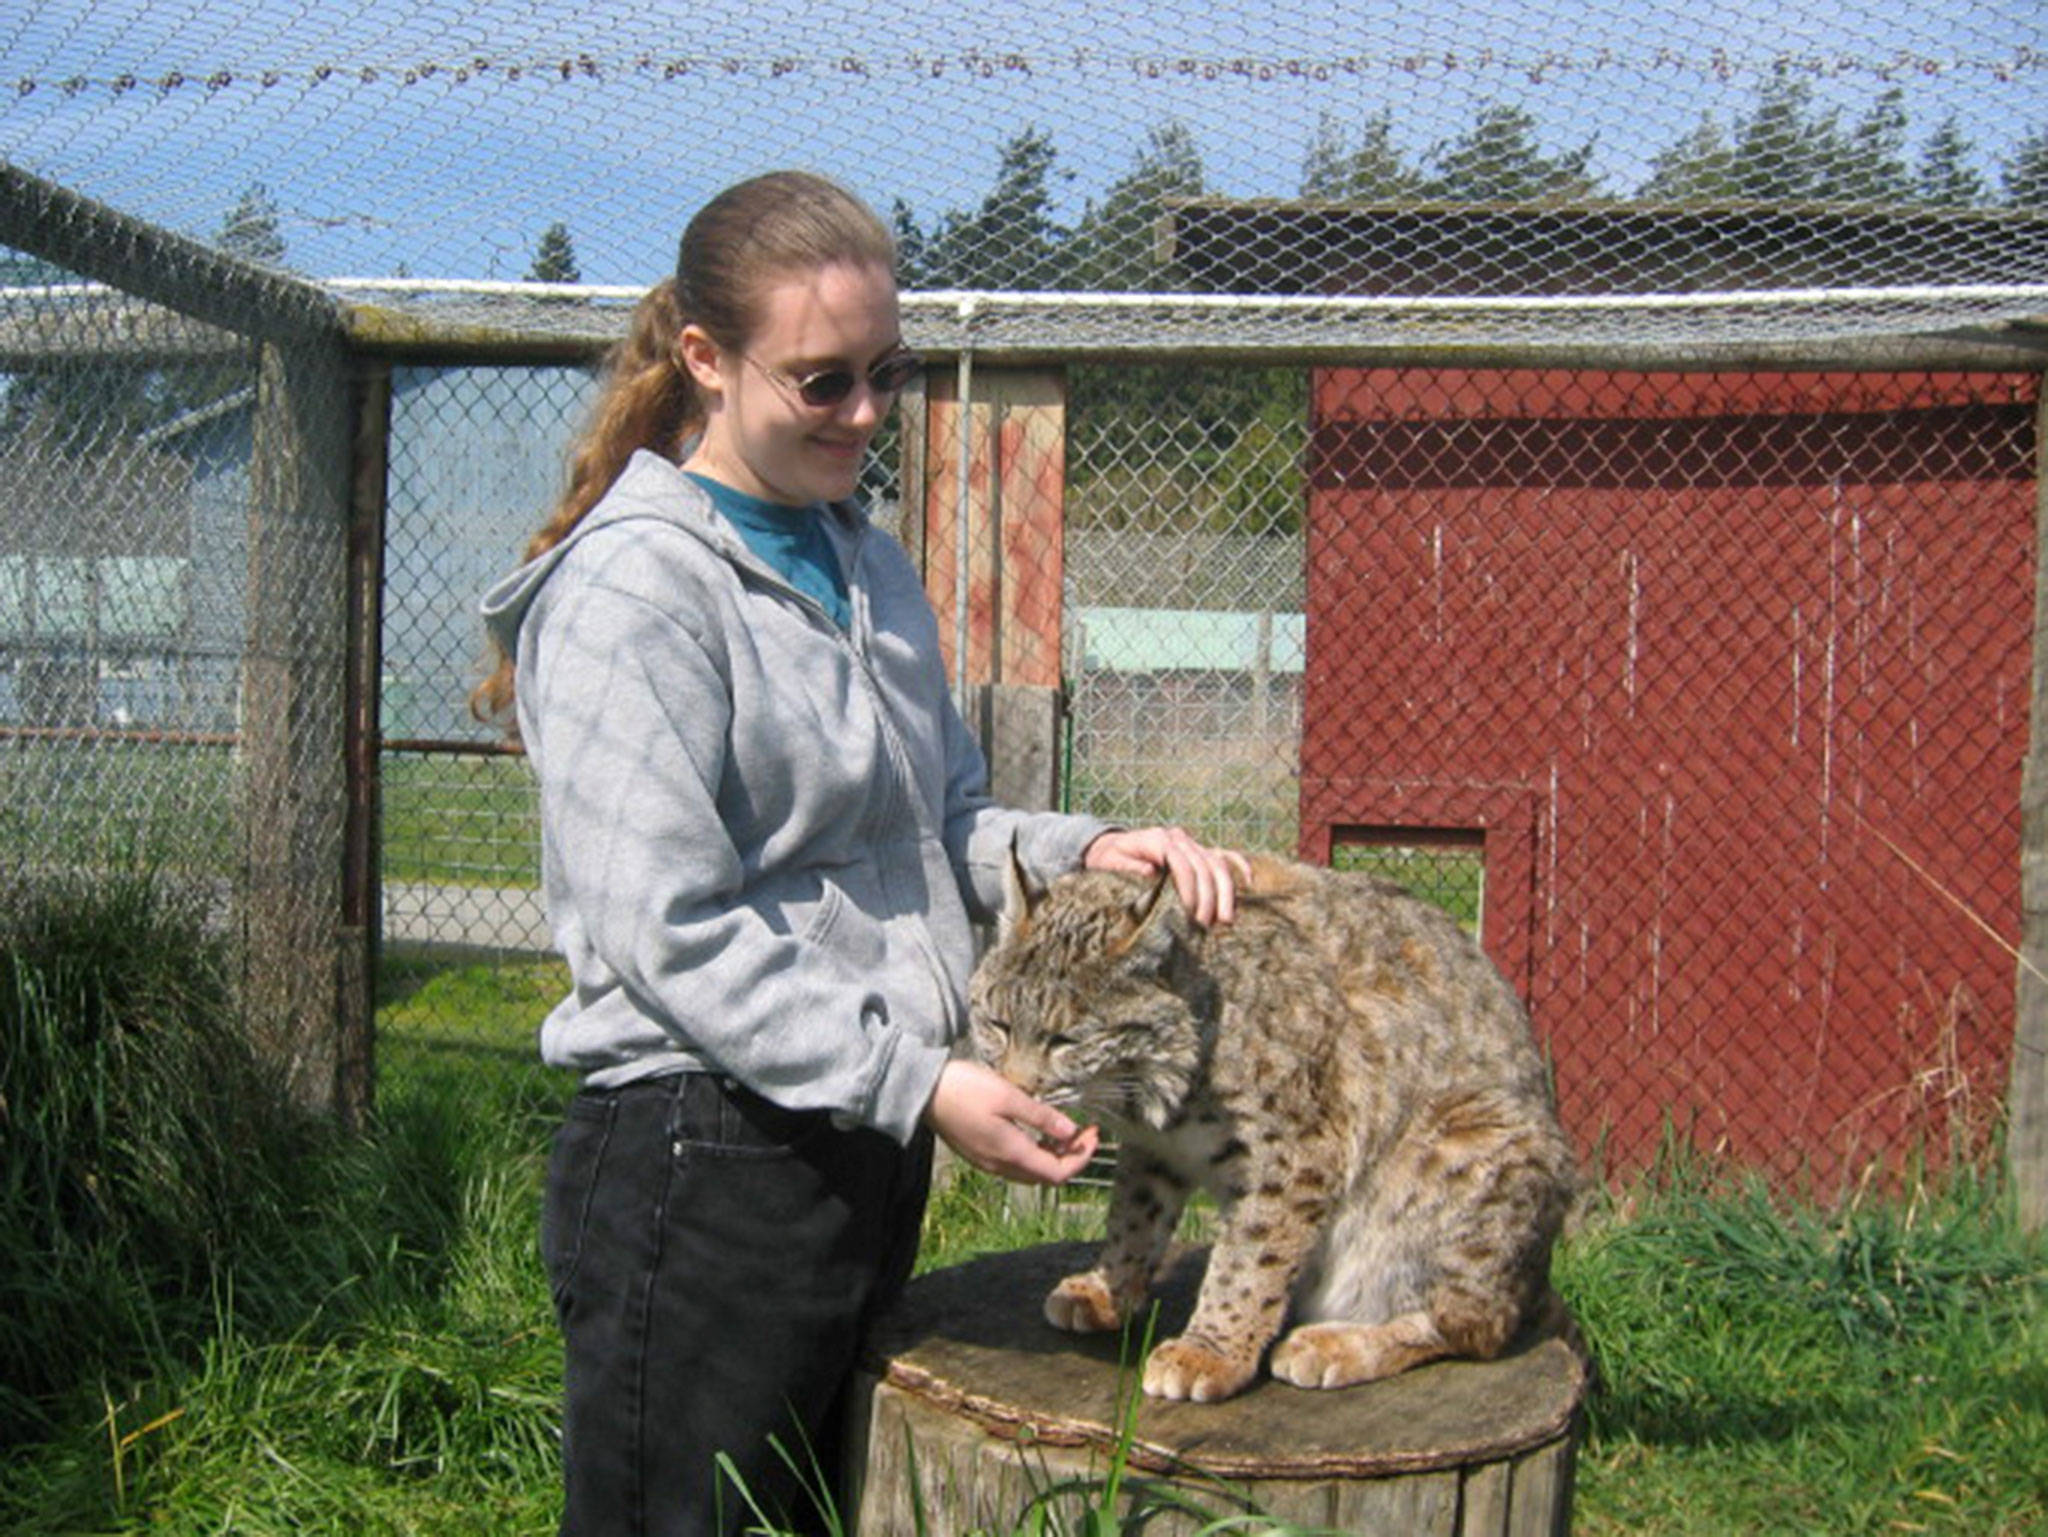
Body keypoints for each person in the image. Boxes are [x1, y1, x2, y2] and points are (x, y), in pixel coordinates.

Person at [474, 169, 1242, 1537]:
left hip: (863, 1135)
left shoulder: (867, 565)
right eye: (822, 383)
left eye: (884, 373)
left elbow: (940, 821)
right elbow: (670, 928)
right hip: (701, 1152)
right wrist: (920, 1077)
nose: (869, 415)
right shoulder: (633, 590)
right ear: (706, 362)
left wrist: (1095, 848)